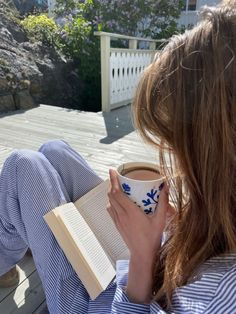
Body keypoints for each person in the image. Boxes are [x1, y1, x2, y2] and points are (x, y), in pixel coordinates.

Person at [1, 1, 236, 313]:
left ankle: (5, 259)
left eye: (178, 145)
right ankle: (36, 235)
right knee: (54, 151)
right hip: (152, 263)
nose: (175, 158)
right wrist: (183, 225)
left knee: (23, 166)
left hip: (117, 295)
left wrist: (141, 254)